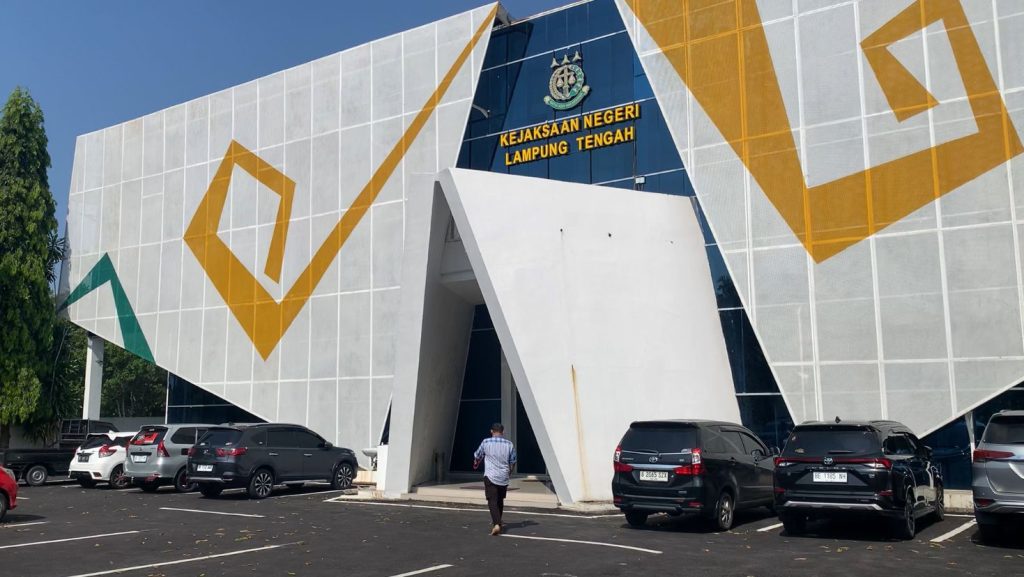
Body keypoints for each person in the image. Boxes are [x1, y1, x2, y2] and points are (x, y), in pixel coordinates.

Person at [473, 422, 517, 535]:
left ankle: (496, 524)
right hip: (503, 476)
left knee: (492, 500)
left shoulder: (486, 442)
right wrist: (509, 473)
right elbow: (513, 461)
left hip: (490, 475)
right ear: (503, 432)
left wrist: (477, 460)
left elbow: (477, 455)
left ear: (491, 431)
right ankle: (498, 522)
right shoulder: (509, 444)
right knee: (500, 500)